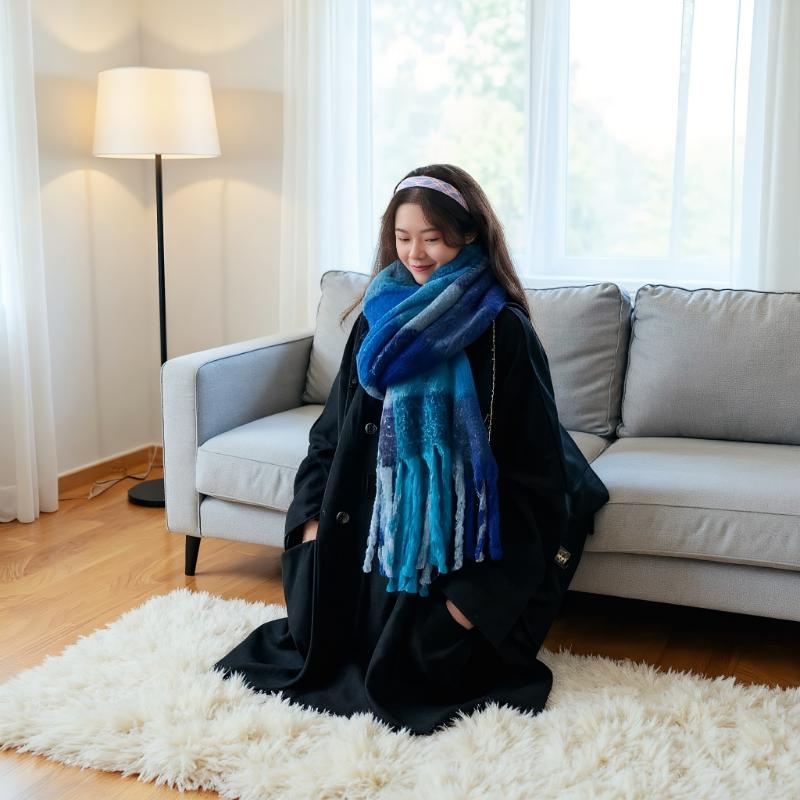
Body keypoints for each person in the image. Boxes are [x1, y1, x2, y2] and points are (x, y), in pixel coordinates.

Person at [213, 163, 610, 736]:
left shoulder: (503, 333)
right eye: (402, 238)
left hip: (452, 555)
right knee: (330, 653)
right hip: (363, 536)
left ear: (468, 234)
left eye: (432, 238)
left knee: (418, 670)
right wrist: (309, 531)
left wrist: (468, 608)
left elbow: (536, 481)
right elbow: (329, 437)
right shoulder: (374, 321)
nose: (415, 254)